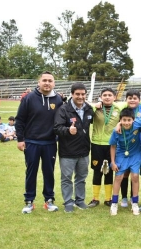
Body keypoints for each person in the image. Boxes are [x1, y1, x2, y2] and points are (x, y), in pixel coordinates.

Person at [15, 71, 63, 214]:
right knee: (31, 172)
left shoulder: (58, 100)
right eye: (44, 80)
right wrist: (20, 139)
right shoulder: (29, 98)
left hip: (49, 143)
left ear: (54, 83)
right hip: (31, 142)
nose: (47, 83)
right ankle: (29, 201)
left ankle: (49, 200)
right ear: (39, 82)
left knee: (49, 172)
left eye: (50, 80)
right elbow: (20, 120)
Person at [54, 83, 94, 213]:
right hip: (67, 152)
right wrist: (67, 130)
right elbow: (57, 128)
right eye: (77, 94)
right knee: (66, 178)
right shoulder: (63, 109)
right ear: (72, 94)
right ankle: (68, 202)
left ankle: (80, 200)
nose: (80, 97)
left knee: (81, 178)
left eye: (83, 94)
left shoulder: (88, 108)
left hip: (84, 151)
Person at [109, 108, 141, 216]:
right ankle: (114, 203)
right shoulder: (116, 130)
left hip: (135, 154)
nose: (126, 122)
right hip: (122, 154)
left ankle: (135, 203)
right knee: (118, 177)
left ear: (133, 120)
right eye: (124, 120)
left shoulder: (137, 124)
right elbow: (113, 146)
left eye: (129, 120)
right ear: (120, 120)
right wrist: (113, 162)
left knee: (135, 176)